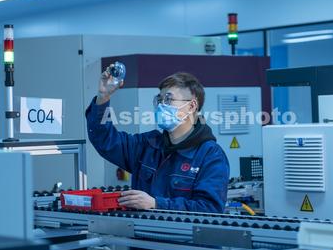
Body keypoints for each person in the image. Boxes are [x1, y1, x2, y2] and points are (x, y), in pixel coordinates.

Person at [86, 69, 230, 213]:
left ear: (191, 106)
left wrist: (156, 204)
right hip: (141, 227)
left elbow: (210, 208)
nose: (161, 106)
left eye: (168, 99)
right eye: (159, 100)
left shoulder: (210, 155)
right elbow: (105, 140)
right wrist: (103, 97)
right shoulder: (147, 146)